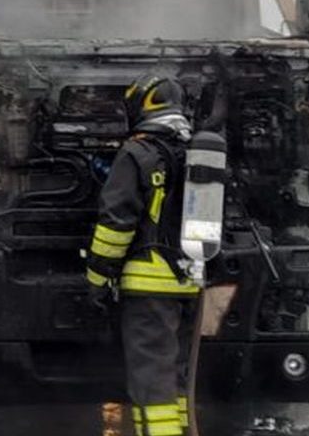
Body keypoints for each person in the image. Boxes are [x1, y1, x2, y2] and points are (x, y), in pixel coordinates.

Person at [85, 74, 199, 436]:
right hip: (190, 281)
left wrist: (98, 279)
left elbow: (116, 225)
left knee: (152, 383)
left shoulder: (138, 152)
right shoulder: (196, 151)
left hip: (149, 288)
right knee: (176, 376)